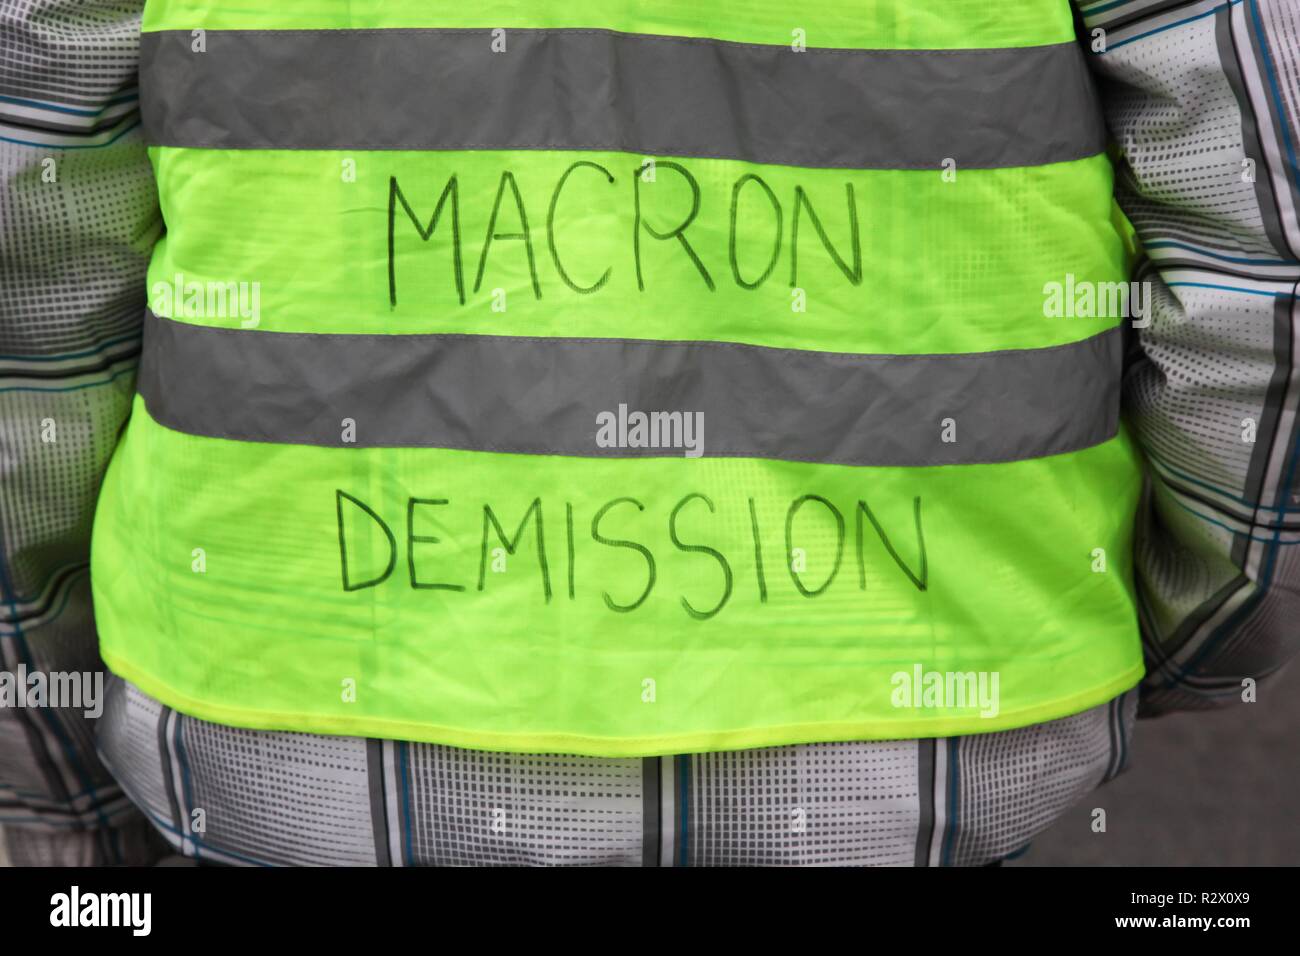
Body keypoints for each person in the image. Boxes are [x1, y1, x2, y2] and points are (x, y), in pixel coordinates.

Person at [2, 0, 1297, 866]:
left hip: (282, 724)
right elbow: (1266, 240)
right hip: (929, 716)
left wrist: (55, 772)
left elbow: (35, 284)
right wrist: (1191, 616)